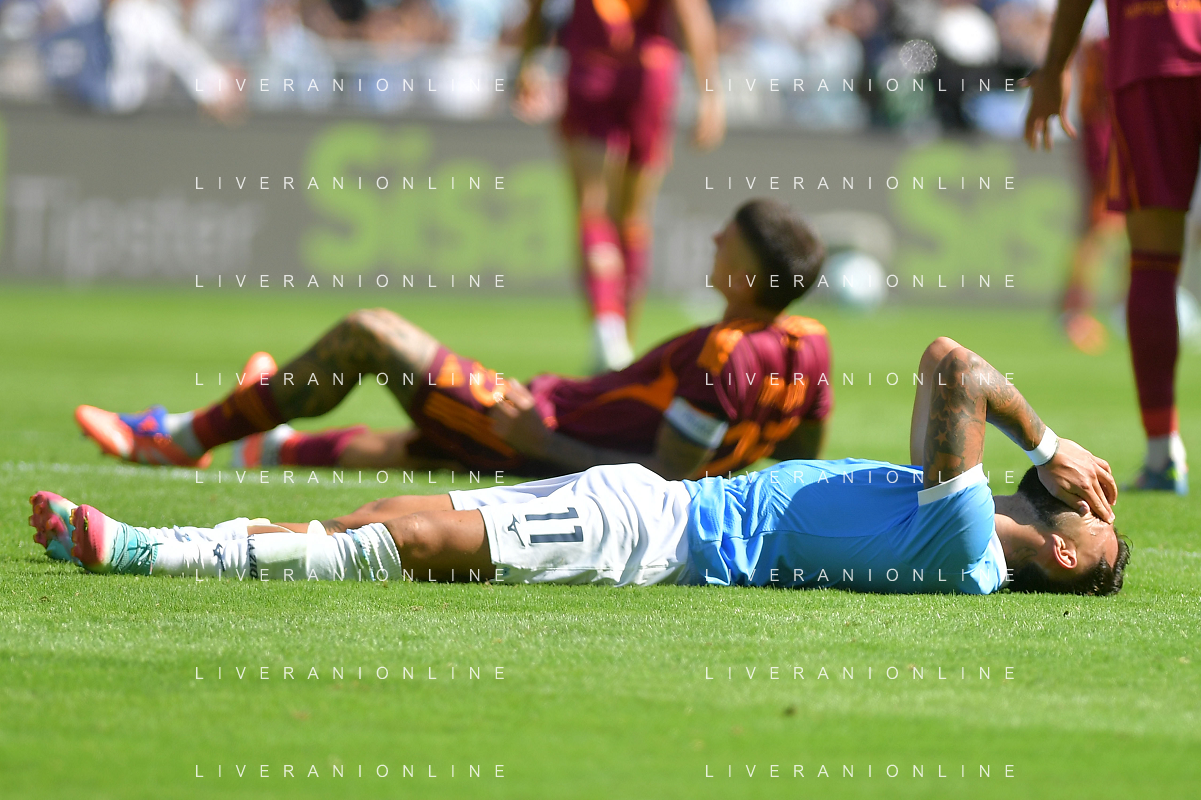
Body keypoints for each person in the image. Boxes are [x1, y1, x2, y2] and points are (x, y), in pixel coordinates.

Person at [33, 337, 1128, 597]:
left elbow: (954, 368)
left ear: (1072, 557)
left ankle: (141, 551)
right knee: (387, 512)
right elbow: (944, 373)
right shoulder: (950, 512)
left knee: (408, 542)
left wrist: (1049, 444)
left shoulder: (967, 545)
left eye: (1100, 517)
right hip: (653, 502)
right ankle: (158, 540)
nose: (1095, 494)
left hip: (659, 536)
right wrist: (1045, 456)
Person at [74, 199, 831, 481]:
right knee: (414, 448)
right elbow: (796, 462)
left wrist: (542, 441)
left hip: (529, 433)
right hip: (542, 423)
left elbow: (664, 479)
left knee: (368, 335)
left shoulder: (724, 356)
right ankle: (262, 436)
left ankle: (181, 438)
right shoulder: (808, 344)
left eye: (726, 237)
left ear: (743, 274)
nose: (711, 238)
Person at [1024, 0, 1201, 493]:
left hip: (1151, 52)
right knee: (1107, 230)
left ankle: (1162, 454)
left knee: (1149, 258)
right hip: (1148, 54)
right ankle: (1073, 309)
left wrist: (1055, 69)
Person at [513, 0, 725, 371]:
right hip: (650, 72)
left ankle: (606, 325)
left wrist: (528, 61)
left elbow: (537, 7)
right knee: (634, 217)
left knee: (593, 207)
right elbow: (691, 13)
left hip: (590, 67)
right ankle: (622, 343)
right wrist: (710, 93)